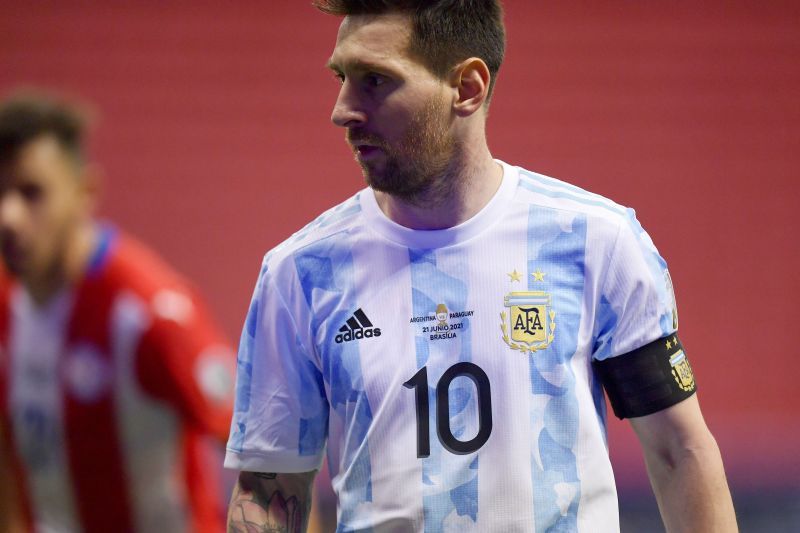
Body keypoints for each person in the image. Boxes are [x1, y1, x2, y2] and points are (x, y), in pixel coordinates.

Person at [224, 1, 739, 531]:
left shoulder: (596, 242)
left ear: (467, 88)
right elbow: (268, 489)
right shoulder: (299, 274)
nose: (343, 109)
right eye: (342, 77)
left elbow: (681, 451)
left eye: (375, 80)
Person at [0, 91, 237, 532]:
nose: (8, 216)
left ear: (85, 192)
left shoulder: (149, 313)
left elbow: (270, 456)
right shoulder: (4, 309)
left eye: (31, 193)